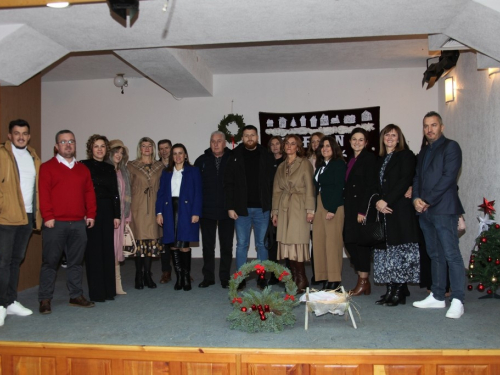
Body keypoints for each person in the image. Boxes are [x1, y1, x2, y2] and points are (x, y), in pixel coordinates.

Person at [412, 111, 465, 319]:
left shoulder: (451, 147)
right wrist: (416, 198)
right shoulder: (424, 151)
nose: (429, 130)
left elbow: (448, 178)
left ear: (441, 127)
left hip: (443, 209)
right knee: (434, 254)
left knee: (451, 254)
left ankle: (458, 299)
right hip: (425, 212)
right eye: (426, 126)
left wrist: (426, 200)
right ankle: (437, 295)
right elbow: (416, 177)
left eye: (433, 125)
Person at [38, 130, 97, 314]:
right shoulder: (47, 167)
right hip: (55, 224)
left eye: (71, 141)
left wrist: (91, 214)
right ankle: (45, 299)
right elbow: (44, 194)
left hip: (78, 223)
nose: (68, 144)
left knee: (76, 262)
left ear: (75, 145)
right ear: (56, 146)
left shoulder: (82, 169)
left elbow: (89, 193)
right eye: (63, 142)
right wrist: (47, 216)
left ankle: (75, 295)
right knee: (50, 262)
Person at [373, 124, 420, 307]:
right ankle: (390, 289)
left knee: (400, 252)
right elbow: (373, 184)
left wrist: (387, 201)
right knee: (387, 253)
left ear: (399, 138)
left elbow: (405, 180)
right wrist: (378, 200)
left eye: (394, 135)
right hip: (382, 211)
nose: (390, 138)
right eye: (387, 135)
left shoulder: (406, 155)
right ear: (382, 138)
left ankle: (399, 291)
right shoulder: (380, 159)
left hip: (398, 210)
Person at [0, 119, 41, 326]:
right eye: (17, 133)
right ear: (9, 135)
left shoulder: (33, 155)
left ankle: (10, 301)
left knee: (16, 260)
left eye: (24, 133)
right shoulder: (2, 154)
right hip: (6, 217)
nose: (21, 137)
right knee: (2, 261)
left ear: (29, 135)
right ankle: (0, 304)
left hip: (26, 216)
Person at [224, 125, 274, 290]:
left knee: (262, 244)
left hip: (262, 209)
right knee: (242, 244)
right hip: (241, 210)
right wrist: (230, 206)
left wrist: (272, 206)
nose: (250, 138)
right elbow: (229, 183)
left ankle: (261, 277)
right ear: (242, 138)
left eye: (252, 135)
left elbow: (272, 183)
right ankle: (240, 278)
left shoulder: (266, 155)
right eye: (246, 135)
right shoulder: (234, 155)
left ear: (257, 137)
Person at [272, 134, 315, 292]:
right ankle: (295, 278)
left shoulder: (304, 164)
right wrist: (275, 212)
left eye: (293, 143)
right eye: (287, 144)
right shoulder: (281, 166)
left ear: (298, 147)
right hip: (284, 207)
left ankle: (302, 278)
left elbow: (310, 187)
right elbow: (276, 190)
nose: (289, 146)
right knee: (288, 245)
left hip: (299, 205)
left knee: (297, 243)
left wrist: (310, 210)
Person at [156, 144, 202, 291]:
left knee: (184, 246)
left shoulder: (193, 171)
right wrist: (159, 212)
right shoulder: (166, 172)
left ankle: (186, 277)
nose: (178, 156)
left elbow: (198, 193)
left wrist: (196, 212)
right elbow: (161, 194)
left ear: (185, 155)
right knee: (174, 245)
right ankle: (179, 277)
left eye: (180, 153)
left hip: (187, 210)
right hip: (170, 210)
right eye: (175, 153)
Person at [80, 135, 120, 302]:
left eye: (102, 146)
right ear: (91, 149)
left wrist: (116, 215)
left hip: (107, 211)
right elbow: (81, 191)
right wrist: (84, 212)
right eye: (96, 146)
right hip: (91, 211)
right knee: (93, 252)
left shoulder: (110, 168)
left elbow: (114, 194)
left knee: (107, 250)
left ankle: (109, 291)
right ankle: (97, 293)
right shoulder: (83, 165)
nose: (99, 149)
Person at [194, 131, 234, 289]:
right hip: (207, 210)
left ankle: (225, 277)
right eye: (213, 141)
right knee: (208, 246)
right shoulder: (201, 160)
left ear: (224, 143)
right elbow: (196, 187)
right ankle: (208, 277)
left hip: (227, 210)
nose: (216, 144)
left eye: (219, 141)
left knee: (226, 246)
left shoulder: (233, 158)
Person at [343, 128, 378, 296]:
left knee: (361, 245)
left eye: (361, 139)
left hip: (361, 209)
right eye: (354, 139)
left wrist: (363, 211)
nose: (357, 142)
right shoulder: (351, 160)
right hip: (350, 208)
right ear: (350, 142)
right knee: (349, 241)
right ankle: (363, 278)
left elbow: (370, 186)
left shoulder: (369, 158)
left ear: (366, 142)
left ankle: (363, 282)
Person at [127, 137, 164, 290]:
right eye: (144, 146)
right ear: (139, 148)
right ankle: (138, 275)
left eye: (150, 146)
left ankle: (148, 274)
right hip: (138, 208)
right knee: (139, 244)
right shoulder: (131, 166)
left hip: (155, 208)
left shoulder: (160, 166)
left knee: (149, 244)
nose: (147, 148)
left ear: (153, 149)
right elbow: (127, 189)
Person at [312, 136, 346, 290]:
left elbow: (339, 187)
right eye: (322, 146)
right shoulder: (320, 166)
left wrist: (332, 209)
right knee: (319, 242)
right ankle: (323, 275)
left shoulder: (338, 164)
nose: (324, 149)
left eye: (328, 146)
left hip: (333, 206)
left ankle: (334, 279)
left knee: (332, 244)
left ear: (334, 148)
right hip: (320, 205)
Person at [106, 139, 131, 295]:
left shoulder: (123, 172)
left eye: (122, 153)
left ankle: (117, 284)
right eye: (116, 152)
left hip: (120, 216)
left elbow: (127, 195)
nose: (119, 155)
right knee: (108, 249)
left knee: (117, 249)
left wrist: (127, 217)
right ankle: (109, 283)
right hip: (108, 216)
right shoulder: (105, 169)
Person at [306, 131, 324, 285]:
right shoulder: (307, 161)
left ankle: (325, 273)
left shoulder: (329, 160)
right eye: (312, 141)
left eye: (318, 141)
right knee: (313, 240)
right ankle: (316, 273)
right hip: (311, 203)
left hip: (325, 204)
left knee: (323, 240)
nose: (315, 144)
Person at [267, 136, 285, 285]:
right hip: (269, 206)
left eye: (277, 144)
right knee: (272, 242)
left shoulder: (287, 162)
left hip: (285, 207)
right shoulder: (266, 161)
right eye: (272, 144)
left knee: (285, 242)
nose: (275, 147)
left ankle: (285, 274)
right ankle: (273, 274)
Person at [157, 139, 173, 284]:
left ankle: (182, 269)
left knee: (180, 241)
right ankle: (166, 271)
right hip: (162, 207)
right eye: (161, 149)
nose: (164, 151)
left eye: (166, 148)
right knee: (165, 242)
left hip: (177, 208)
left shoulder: (180, 164)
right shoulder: (155, 167)